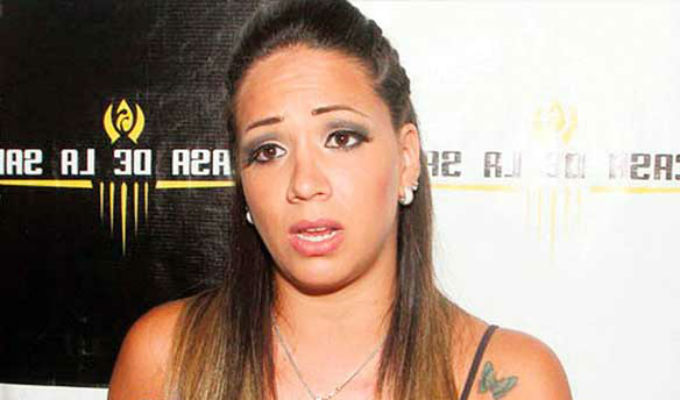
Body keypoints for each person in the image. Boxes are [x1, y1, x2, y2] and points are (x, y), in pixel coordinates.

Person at [108, 0, 572, 399]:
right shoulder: (165, 360)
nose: (305, 183)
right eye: (268, 151)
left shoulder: (514, 381)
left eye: (341, 138)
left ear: (406, 158)